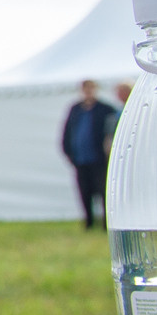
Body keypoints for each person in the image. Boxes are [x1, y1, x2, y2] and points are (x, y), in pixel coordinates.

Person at [62, 78, 121, 229]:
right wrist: (69, 152)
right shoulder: (75, 109)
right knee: (84, 191)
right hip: (81, 159)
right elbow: (67, 131)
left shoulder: (105, 109)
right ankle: (88, 221)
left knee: (102, 190)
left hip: (99, 158)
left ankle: (106, 222)